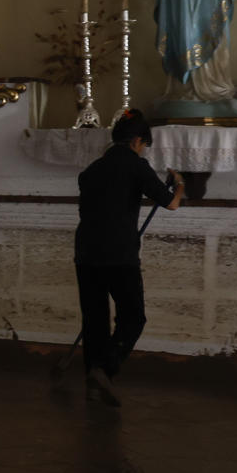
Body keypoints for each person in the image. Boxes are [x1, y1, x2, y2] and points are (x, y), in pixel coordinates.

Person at [73, 110, 183, 407]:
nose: (142, 148)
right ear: (137, 140)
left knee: (95, 320)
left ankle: (94, 385)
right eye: (143, 144)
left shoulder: (92, 170)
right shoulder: (137, 166)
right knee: (133, 317)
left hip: (85, 253)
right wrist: (179, 183)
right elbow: (171, 203)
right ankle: (104, 370)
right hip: (119, 254)